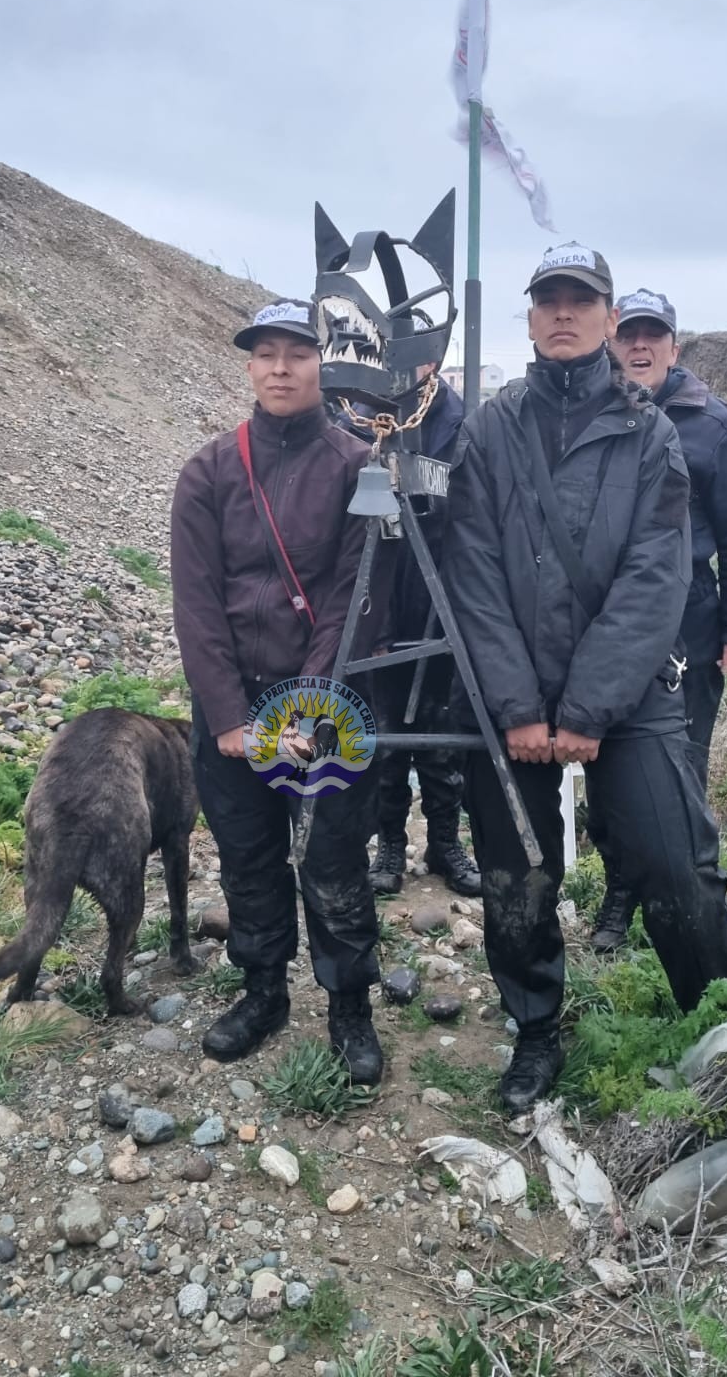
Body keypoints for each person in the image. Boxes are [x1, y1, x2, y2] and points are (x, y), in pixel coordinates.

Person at [441, 243, 727, 1113]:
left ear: (611, 319)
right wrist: (520, 708)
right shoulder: (490, 431)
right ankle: (536, 1032)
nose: (564, 314)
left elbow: (658, 581)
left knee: (677, 861)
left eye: (582, 300)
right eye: (549, 300)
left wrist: (588, 708)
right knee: (516, 876)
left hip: (632, 694)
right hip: (515, 704)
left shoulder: (652, 438)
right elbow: (474, 574)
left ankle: (716, 1027)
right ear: (531, 319)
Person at [170, 300, 385, 1084]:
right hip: (233, 709)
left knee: (332, 859)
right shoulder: (209, 471)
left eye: (296, 353)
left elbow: (352, 597)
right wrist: (230, 718)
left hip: (327, 704)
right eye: (266, 354)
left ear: (321, 362)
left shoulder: (359, 465)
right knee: (249, 857)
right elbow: (195, 602)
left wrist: (311, 704)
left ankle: (350, 1005)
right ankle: (263, 991)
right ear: (250, 366)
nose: (281, 368)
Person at [585, 287, 727, 951]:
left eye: (652, 335)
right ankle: (618, 891)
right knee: (605, 768)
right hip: (605, 625)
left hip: (688, 623)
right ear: (611, 341)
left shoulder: (716, 427)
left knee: (680, 772)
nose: (639, 345)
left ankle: (687, 909)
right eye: (629, 333)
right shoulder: (592, 416)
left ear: (673, 347)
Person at [336, 352, 480, 898]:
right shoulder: (354, 416)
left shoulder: (456, 419)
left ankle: (445, 842)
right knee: (384, 732)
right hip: (380, 593)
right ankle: (390, 845)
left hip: (442, 591)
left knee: (444, 734)